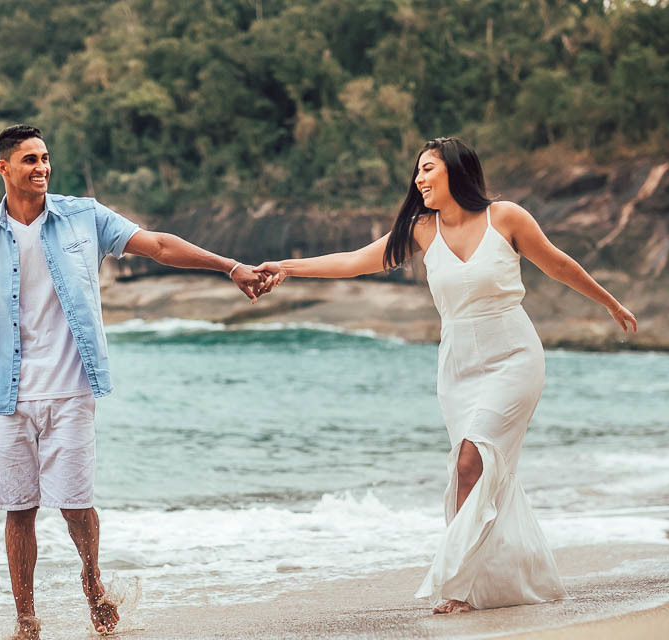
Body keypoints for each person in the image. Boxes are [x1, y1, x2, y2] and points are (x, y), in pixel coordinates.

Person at [0, 124, 268, 638]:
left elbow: (158, 245)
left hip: (72, 389)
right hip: (9, 396)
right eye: (30, 160)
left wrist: (229, 266)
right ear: (3, 168)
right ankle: (26, 618)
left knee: (74, 504)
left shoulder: (85, 216)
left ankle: (92, 581)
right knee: (17, 508)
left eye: (46, 158)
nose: (42, 167)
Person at [254, 137, 637, 614]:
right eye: (418, 171)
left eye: (429, 168)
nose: (420, 179)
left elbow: (557, 263)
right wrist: (286, 268)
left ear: (456, 170)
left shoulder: (507, 218)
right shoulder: (421, 230)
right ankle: (490, 584)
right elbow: (355, 262)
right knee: (473, 469)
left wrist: (610, 302)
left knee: (472, 459)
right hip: (457, 365)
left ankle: (455, 586)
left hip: (513, 355)